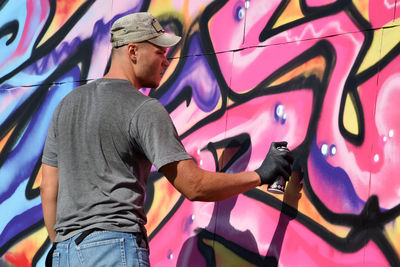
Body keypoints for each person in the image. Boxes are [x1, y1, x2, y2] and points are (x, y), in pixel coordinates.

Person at [40, 12, 294, 266]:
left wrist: (61, 246)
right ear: (133, 51)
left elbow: (49, 187)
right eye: (159, 52)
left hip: (65, 253)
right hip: (114, 250)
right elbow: (194, 185)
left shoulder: (67, 106)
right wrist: (261, 174)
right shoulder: (142, 108)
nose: (166, 61)